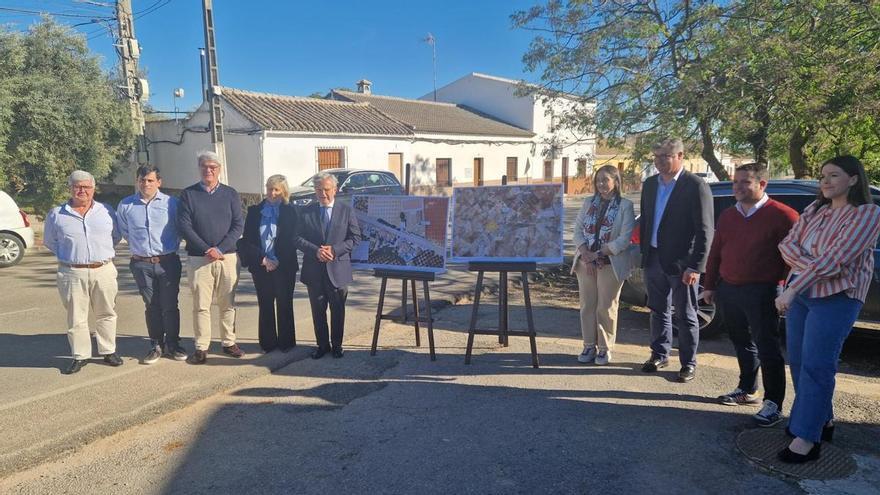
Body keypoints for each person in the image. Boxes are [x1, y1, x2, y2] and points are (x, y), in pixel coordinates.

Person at [775, 155, 880, 464]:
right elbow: (787, 245)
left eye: (834, 175)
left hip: (838, 297)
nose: (825, 181)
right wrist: (812, 267)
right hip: (804, 293)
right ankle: (821, 419)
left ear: (853, 179)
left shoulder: (867, 213)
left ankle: (807, 437)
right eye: (823, 175)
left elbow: (838, 259)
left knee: (817, 365)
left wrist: (794, 286)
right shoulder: (815, 210)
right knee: (798, 361)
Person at [702, 163, 798, 426]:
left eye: (745, 182)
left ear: (762, 184)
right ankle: (747, 389)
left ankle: (774, 403)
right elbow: (716, 252)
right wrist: (710, 285)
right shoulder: (728, 215)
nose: (738, 187)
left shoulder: (784, 216)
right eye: (736, 182)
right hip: (729, 288)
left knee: (768, 347)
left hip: (763, 291)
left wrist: (786, 290)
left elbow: (794, 260)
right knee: (741, 342)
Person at [638, 137, 714, 382]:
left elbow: (705, 231)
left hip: (682, 264)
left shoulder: (695, 186)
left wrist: (696, 266)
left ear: (680, 156)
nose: (659, 161)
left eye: (665, 156)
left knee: (686, 314)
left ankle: (688, 363)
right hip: (654, 258)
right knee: (657, 310)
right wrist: (644, 254)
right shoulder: (651, 184)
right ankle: (659, 354)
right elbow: (646, 221)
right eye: (656, 156)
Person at [43, 170, 123, 374]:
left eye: (86, 187)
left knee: (106, 312)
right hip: (72, 272)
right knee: (76, 317)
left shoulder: (106, 211)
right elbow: (50, 241)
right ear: (70, 188)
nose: (82, 190)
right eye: (77, 186)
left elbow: (115, 236)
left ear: (93, 189)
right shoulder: (57, 214)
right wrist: (72, 255)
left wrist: (99, 254)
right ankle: (80, 355)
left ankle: (108, 351)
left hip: (103, 269)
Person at [178, 151, 245, 364]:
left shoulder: (231, 194)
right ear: (199, 168)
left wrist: (220, 249)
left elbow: (238, 225)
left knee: (227, 303)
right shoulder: (188, 194)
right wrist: (207, 249)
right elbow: (185, 226)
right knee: (201, 305)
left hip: (227, 258)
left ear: (219, 169)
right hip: (199, 259)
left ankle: (228, 342)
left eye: (213, 167)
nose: (208, 170)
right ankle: (201, 346)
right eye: (204, 166)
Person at [117, 165, 187, 364]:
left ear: (159, 182)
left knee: (170, 305)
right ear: (137, 181)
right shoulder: (126, 205)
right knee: (151, 305)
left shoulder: (172, 203)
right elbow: (125, 232)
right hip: (141, 264)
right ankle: (156, 345)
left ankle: (173, 344)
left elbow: (180, 229)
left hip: (168, 263)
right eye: (142, 180)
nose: (146, 184)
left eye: (150, 180)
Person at [570, 165, 636, 365]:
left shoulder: (625, 206)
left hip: (609, 263)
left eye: (605, 180)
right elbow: (577, 231)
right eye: (598, 180)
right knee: (587, 305)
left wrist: (598, 254)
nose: (601, 184)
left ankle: (605, 348)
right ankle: (589, 345)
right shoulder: (588, 203)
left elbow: (624, 239)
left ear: (616, 182)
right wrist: (586, 254)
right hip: (585, 263)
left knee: (605, 307)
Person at [296, 172, 360, 359]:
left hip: (338, 270)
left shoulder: (346, 210)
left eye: (326, 189)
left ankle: (337, 345)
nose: (322, 194)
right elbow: (296, 238)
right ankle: (322, 345)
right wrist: (315, 250)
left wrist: (335, 250)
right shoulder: (306, 211)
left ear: (335, 190)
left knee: (338, 311)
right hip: (314, 270)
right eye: (318, 190)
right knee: (318, 312)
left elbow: (355, 238)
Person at [238, 175, 299, 353]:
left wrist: (277, 260)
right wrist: (263, 259)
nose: (272, 193)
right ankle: (268, 343)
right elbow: (247, 240)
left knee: (284, 304)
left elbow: (292, 239)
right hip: (261, 265)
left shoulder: (291, 211)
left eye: (276, 189)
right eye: (269, 189)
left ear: (283, 191)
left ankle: (286, 343)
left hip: (284, 265)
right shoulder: (255, 211)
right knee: (265, 304)